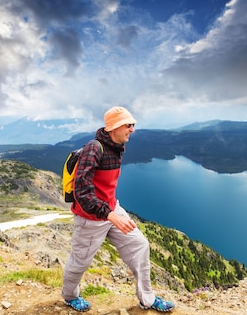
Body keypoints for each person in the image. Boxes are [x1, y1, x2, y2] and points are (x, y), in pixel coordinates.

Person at [61, 106, 175, 312]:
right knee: (80, 262)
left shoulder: (116, 146)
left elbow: (104, 185)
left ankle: (147, 299)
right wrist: (109, 215)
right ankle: (69, 296)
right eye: (128, 125)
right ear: (114, 127)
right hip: (90, 219)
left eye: (133, 125)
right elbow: (82, 192)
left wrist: (112, 212)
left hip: (112, 210)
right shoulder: (94, 149)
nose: (132, 129)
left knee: (140, 245)